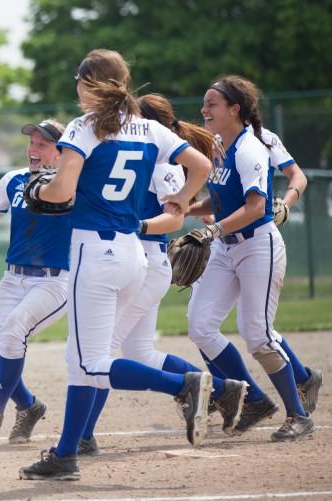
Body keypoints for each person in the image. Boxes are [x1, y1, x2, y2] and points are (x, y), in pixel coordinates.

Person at [17, 49, 214, 481]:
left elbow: (63, 190)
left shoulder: (84, 126)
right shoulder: (148, 127)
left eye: (78, 80)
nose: (75, 87)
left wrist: (40, 192)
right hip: (133, 252)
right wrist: (183, 200)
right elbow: (201, 164)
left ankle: (183, 385)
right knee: (84, 360)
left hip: (96, 254)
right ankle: (66, 454)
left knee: (92, 365)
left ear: (90, 84)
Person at [78, 93, 249, 454]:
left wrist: (131, 226)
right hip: (138, 262)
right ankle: (223, 390)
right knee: (140, 352)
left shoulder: (161, 162)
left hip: (145, 262)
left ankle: (82, 436)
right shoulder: (139, 155)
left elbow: (174, 216)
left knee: (101, 353)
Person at [185, 75, 319, 441]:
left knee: (257, 334)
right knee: (200, 324)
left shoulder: (251, 148)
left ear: (235, 109)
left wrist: (213, 229)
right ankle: (254, 399)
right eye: (205, 103)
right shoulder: (217, 146)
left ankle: (299, 414)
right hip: (226, 248)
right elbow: (219, 200)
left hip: (258, 245)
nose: (204, 110)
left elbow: (255, 206)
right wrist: (186, 208)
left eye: (212, 104)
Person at [0, 119, 70, 444]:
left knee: (14, 330)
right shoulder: (15, 179)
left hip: (54, 282)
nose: (33, 150)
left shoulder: (73, 187)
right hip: (13, 278)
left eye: (42, 144)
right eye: (32, 143)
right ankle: (28, 405)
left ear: (61, 151)